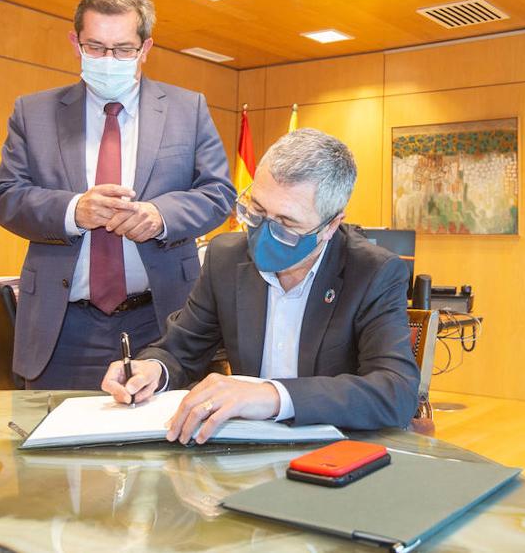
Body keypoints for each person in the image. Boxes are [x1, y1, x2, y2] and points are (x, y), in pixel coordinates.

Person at [101, 128, 420, 443]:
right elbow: (181, 349)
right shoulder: (226, 258)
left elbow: (395, 391)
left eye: (287, 224)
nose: (263, 233)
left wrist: (271, 396)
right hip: (245, 447)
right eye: (256, 210)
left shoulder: (373, 272)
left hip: (335, 451)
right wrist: (152, 370)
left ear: (331, 225)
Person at [0, 0, 235, 390]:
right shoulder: (34, 113)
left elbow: (219, 193)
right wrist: (73, 211)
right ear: (75, 43)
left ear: (145, 47)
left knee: (169, 450)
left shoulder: (188, 109)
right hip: (62, 327)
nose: (108, 60)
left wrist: (161, 217)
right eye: (96, 48)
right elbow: (5, 196)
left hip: (164, 321)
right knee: (56, 448)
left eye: (122, 49)